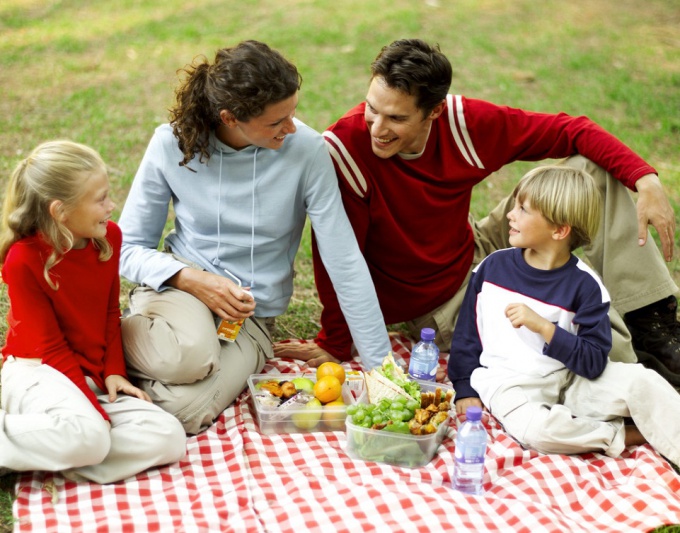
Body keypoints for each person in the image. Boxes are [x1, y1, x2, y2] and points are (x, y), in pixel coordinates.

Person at [292, 38, 679, 383]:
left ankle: (651, 319)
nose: (377, 127)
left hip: (474, 245)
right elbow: (338, 258)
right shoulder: (345, 150)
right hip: (441, 302)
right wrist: (336, 342)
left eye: (397, 118)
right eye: (372, 109)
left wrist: (645, 179)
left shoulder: (464, 125)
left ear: (434, 112)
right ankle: (629, 370)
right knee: (565, 326)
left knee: (593, 171)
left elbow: (570, 130)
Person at [118, 40, 391, 435]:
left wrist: (381, 369)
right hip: (181, 289)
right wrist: (189, 278)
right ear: (230, 118)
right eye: (277, 121)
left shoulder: (308, 152)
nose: (291, 127)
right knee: (189, 356)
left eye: (293, 113)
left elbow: (344, 259)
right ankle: (105, 344)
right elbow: (127, 248)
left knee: (185, 411)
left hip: (250, 318)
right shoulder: (171, 143)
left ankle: (125, 377)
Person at [447, 165, 680, 465]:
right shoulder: (492, 270)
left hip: (572, 380)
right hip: (508, 386)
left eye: (523, 209)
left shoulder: (585, 286)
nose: (510, 214)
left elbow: (595, 362)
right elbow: (466, 337)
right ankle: (623, 434)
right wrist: (464, 388)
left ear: (559, 230)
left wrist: (546, 329)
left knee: (642, 381)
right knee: (539, 431)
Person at [0, 140, 186, 483]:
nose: (111, 206)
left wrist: (114, 371)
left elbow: (109, 314)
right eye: (100, 199)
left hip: (89, 373)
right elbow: (49, 347)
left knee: (169, 436)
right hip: (37, 370)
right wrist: (94, 411)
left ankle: (44, 452)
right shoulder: (24, 260)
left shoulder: (109, 238)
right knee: (91, 433)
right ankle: (41, 440)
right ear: (60, 211)